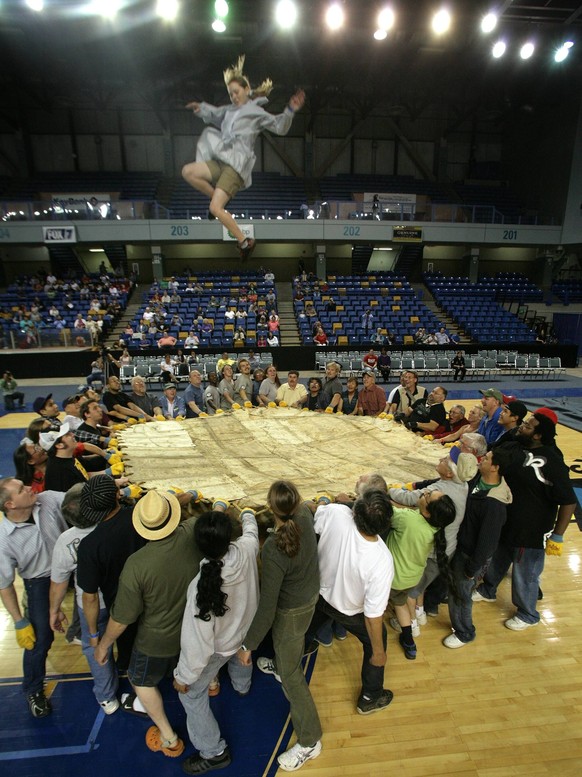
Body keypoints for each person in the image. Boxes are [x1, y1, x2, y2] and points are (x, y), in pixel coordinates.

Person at [94, 489, 203, 759]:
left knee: (139, 679)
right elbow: (212, 516)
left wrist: (104, 645)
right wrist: (191, 494)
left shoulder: (137, 565)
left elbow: (122, 617)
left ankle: (169, 737)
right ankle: (211, 685)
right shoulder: (191, 533)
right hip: (194, 631)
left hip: (157, 641)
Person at [182, 55, 305, 260]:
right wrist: (200, 108)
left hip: (236, 167)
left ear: (247, 90)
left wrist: (290, 109)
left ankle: (244, 241)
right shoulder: (230, 111)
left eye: (236, 92)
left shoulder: (256, 112)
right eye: (230, 94)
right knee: (188, 171)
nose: (233, 97)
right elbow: (215, 113)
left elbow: (279, 126)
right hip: (222, 160)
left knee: (215, 208)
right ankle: (217, 197)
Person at [238, 481, 322, 772]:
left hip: (290, 612)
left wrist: (248, 645)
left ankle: (310, 741)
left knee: (293, 677)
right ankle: (279, 663)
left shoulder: (274, 550)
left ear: (271, 508)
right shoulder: (305, 516)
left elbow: (268, 606)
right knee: (289, 649)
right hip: (310, 597)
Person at [174, 505, 259, 775]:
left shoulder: (201, 587)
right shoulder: (246, 550)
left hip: (220, 646)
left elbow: (196, 644)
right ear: (228, 538)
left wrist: (183, 677)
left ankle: (214, 752)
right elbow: (252, 532)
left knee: (192, 696)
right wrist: (246, 513)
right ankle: (242, 686)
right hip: (247, 630)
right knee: (242, 654)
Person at [473, 409, 576, 629]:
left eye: (528, 426)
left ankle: (527, 613)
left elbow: (568, 500)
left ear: (538, 435)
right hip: (507, 519)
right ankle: (488, 589)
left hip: (532, 528)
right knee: (499, 557)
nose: (522, 427)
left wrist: (557, 535)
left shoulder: (553, 461)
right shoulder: (515, 446)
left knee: (525, 572)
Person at [305, 485, 394, 715]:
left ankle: (284, 661)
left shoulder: (337, 513)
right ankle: (370, 696)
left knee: (306, 628)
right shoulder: (382, 560)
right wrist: (378, 652)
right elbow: (373, 615)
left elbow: (318, 514)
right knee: (377, 639)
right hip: (350, 610)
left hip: (321, 595)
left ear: (355, 510)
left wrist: (332, 503)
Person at [49, 483, 120, 714]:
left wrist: (55, 610)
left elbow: (58, 582)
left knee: (96, 647)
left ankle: (107, 696)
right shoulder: (112, 528)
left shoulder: (65, 541)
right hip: (122, 599)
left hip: (92, 606)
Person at [0, 478, 67, 717]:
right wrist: (19, 621)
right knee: (39, 640)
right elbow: (5, 585)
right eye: (21, 490)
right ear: (10, 505)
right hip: (39, 581)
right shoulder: (3, 540)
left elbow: (77, 497)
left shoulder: (47, 499)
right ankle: (33, 689)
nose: (29, 488)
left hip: (70, 568)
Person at [443, 447, 513, 648]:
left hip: (470, 557)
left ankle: (465, 632)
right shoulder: (479, 482)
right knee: (456, 591)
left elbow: (487, 542)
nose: (482, 459)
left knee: (461, 595)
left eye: (487, 458)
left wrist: (471, 570)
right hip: (462, 547)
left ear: (495, 467)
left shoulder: (494, 504)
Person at [386, 491, 457, 660]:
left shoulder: (409, 520)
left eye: (428, 495)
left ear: (427, 512)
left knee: (379, 605)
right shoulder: (434, 525)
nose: (425, 493)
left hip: (394, 578)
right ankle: (409, 642)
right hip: (412, 577)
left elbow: (386, 510)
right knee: (400, 604)